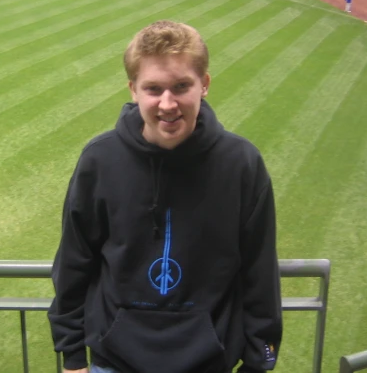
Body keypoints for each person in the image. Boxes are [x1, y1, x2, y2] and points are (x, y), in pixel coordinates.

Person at [48, 21, 283, 373]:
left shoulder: (242, 164)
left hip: (209, 363)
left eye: (181, 86)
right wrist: (72, 356)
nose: (168, 104)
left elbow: (259, 272)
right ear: (133, 90)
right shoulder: (100, 160)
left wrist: (257, 364)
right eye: (153, 88)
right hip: (114, 362)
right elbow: (74, 261)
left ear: (204, 84)